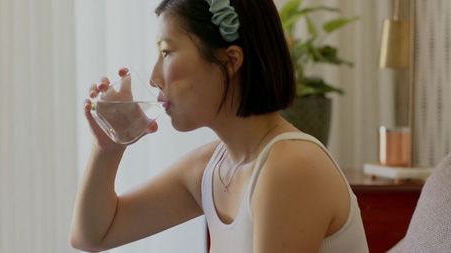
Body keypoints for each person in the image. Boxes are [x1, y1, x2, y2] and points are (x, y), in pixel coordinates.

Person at [69, 0, 369, 252]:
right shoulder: (213, 167)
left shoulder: (290, 167)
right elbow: (94, 235)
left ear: (231, 60)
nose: (153, 77)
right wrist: (107, 148)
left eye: (166, 52)